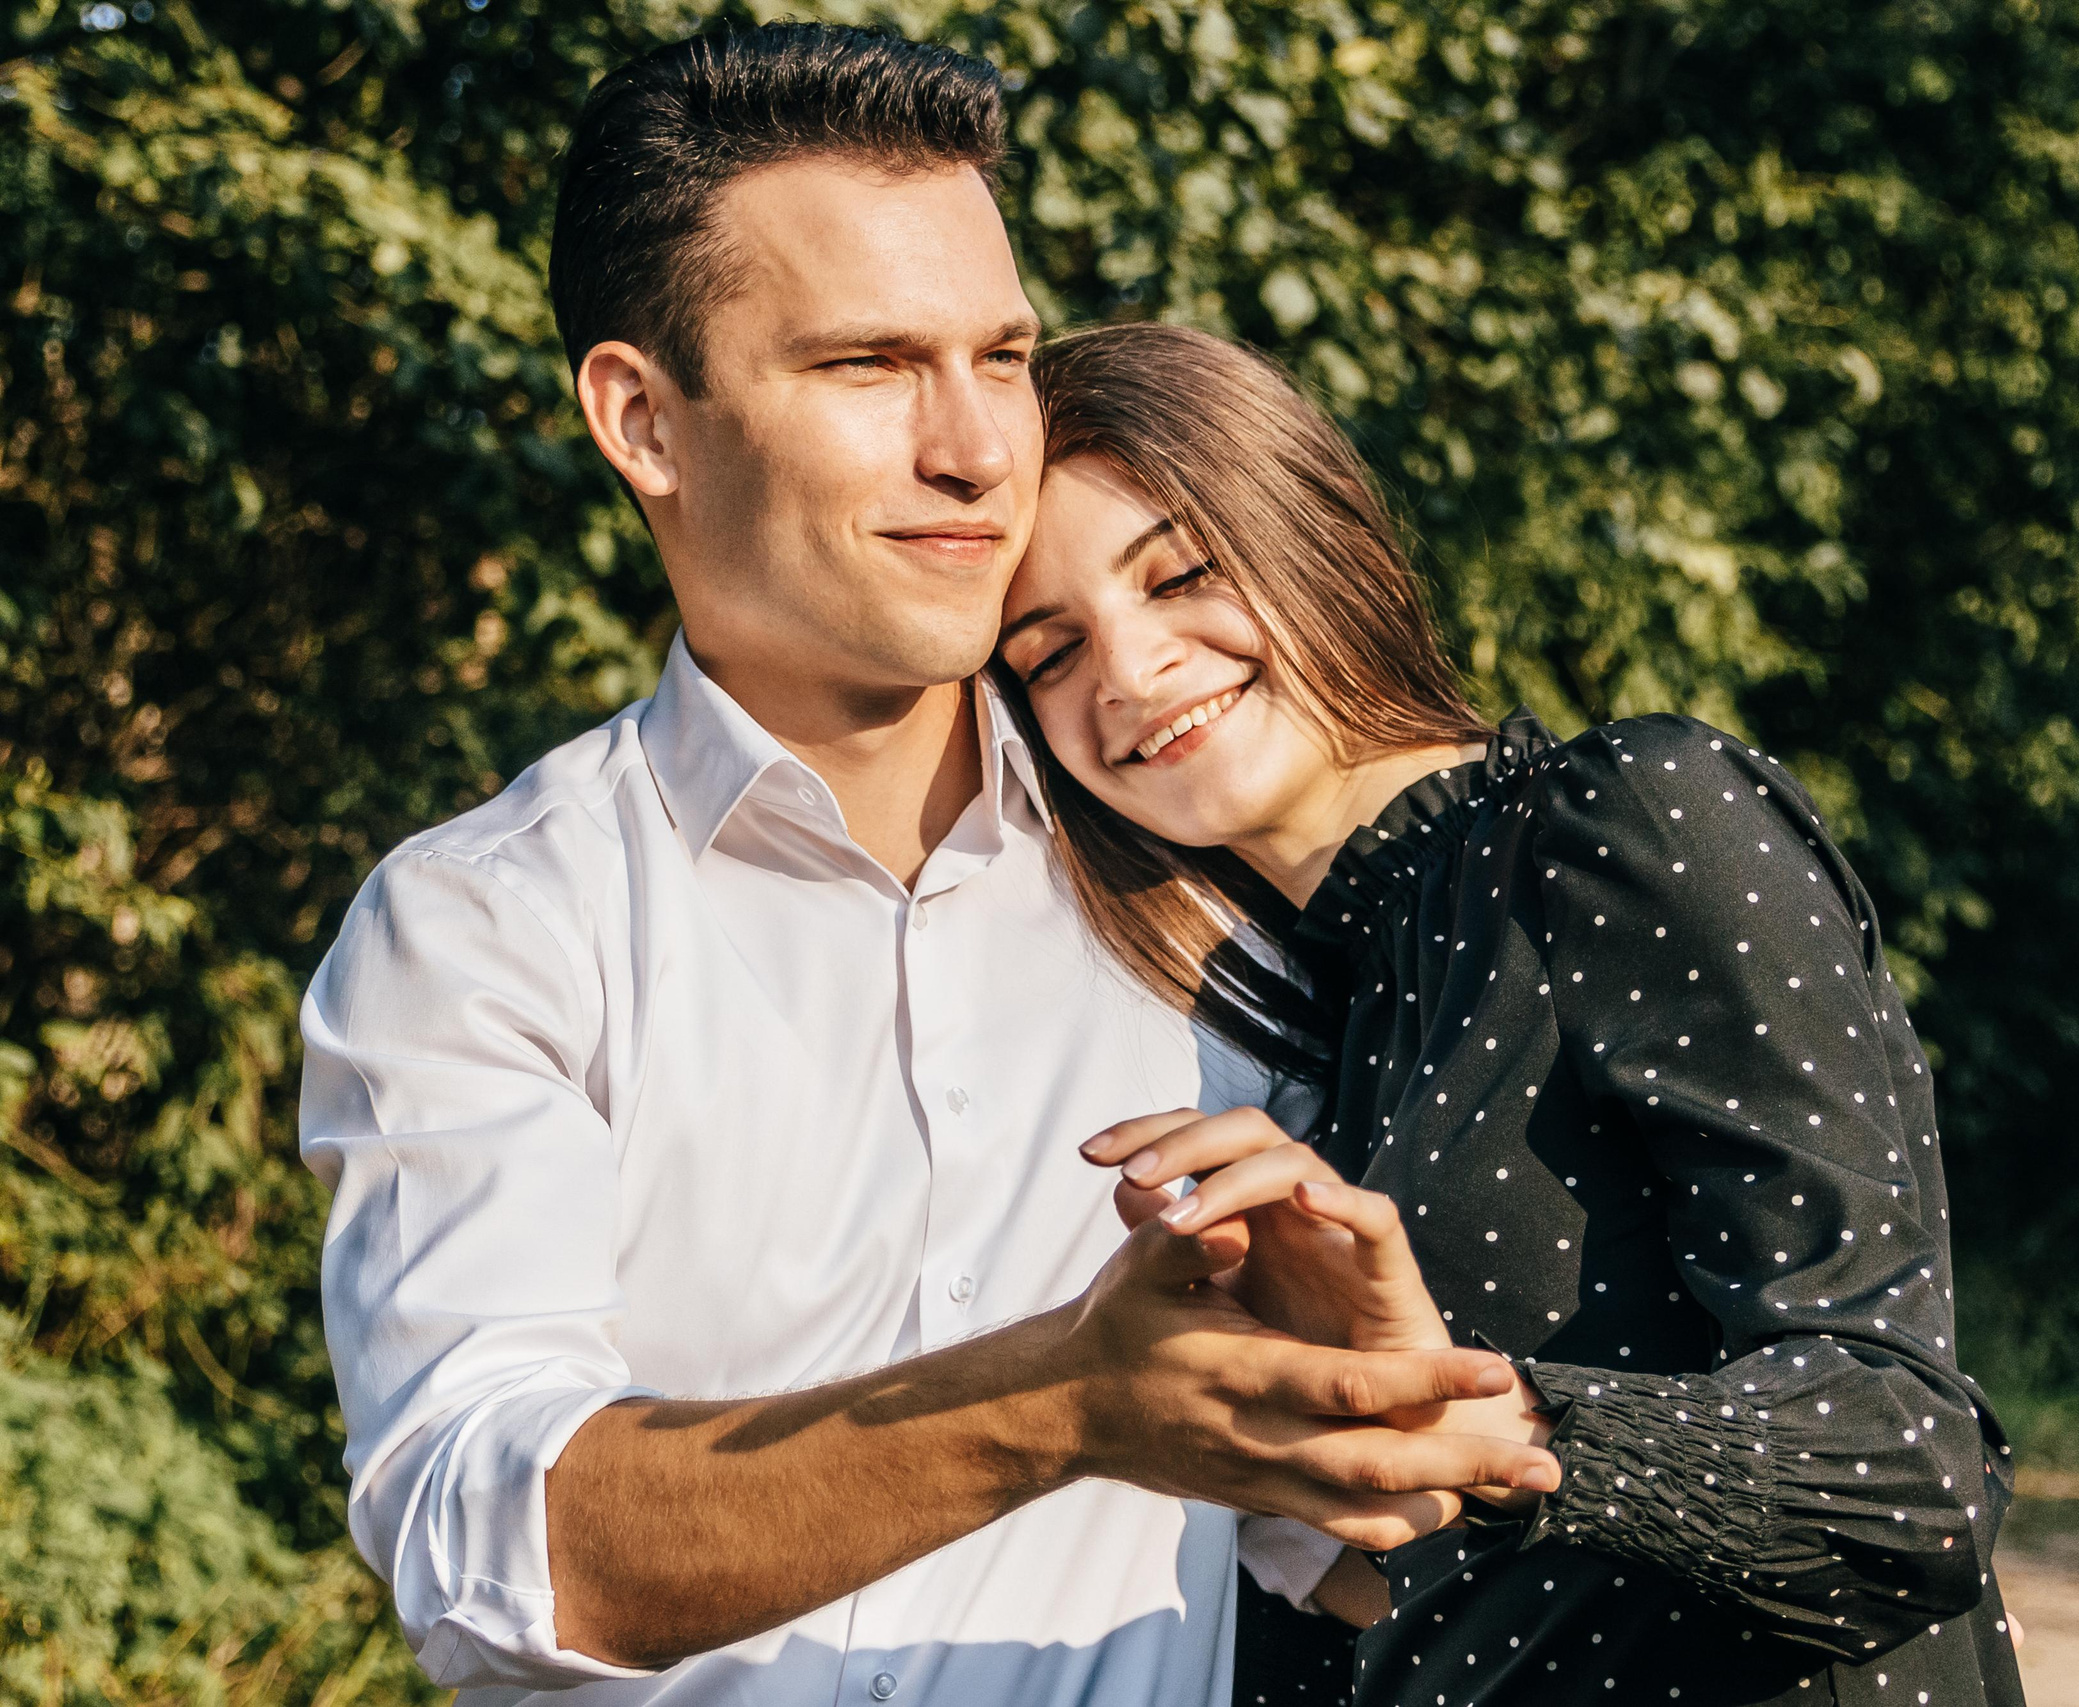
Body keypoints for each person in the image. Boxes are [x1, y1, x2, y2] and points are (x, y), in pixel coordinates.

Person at [297, 26, 1558, 1705]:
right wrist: (1062, 1401)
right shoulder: (481, 929)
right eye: (871, 365)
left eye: (1005, 353)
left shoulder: (1204, 881)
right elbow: (496, 1552)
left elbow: (1329, 1563)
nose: (977, 447)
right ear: (644, 421)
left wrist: (1390, 1437)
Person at [994, 322, 2031, 1707]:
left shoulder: (1628, 823)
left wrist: (1496, 1426)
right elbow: (1422, 1603)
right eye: (1047, 653)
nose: (1127, 673)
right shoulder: (1290, 1024)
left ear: (1309, 524)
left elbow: (1911, 1469)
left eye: (1181, 573)